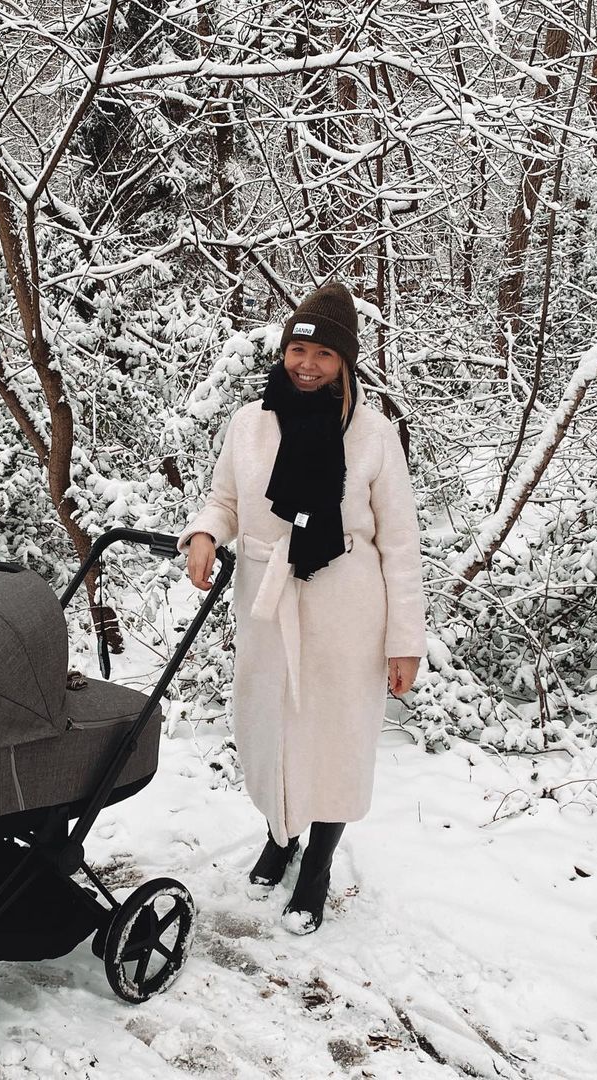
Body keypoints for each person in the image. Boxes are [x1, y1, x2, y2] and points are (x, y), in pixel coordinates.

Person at [178, 281, 427, 934]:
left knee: (335, 738)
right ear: (284, 350)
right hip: (268, 607)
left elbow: (400, 546)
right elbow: (225, 499)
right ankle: (280, 833)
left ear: (345, 362)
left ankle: (317, 860)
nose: (306, 365)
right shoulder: (249, 425)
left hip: (347, 608)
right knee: (272, 731)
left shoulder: (374, 435)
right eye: (297, 350)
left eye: (321, 355)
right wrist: (205, 532)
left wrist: (405, 640)